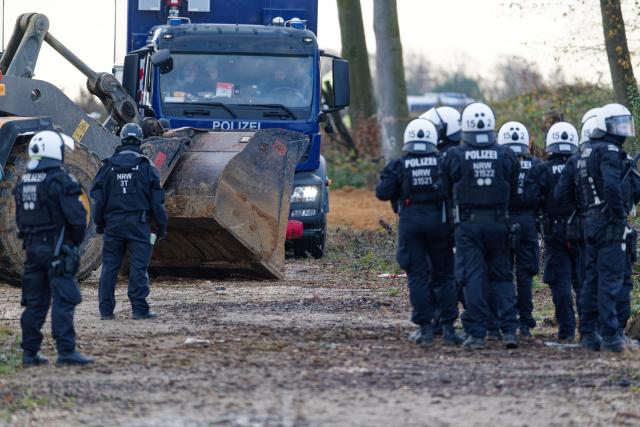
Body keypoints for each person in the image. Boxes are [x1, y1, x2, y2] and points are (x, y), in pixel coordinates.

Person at [440, 102, 520, 350]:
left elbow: (445, 188)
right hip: (500, 223)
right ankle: (509, 331)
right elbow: (514, 186)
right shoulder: (506, 154)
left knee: (472, 277)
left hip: (468, 226)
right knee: (503, 276)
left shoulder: (454, 156)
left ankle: (476, 334)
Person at [376, 118, 463, 346]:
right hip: (440, 224)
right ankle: (448, 329)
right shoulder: (443, 162)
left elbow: (382, 193)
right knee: (444, 276)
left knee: (418, 276)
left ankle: (425, 330)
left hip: (411, 224)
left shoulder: (399, 164)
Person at [14, 131, 94, 366]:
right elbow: (78, 220)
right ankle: (66, 351)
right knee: (64, 300)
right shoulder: (62, 181)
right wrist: (72, 244)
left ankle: (29, 353)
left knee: (35, 302)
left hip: (32, 251)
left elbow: (19, 219)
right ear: (54, 151)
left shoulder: (23, 182)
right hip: (58, 250)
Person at [573, 104, 639, 352]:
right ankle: (611, 336)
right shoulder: (610, 152)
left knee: (592, 278)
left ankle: (588, 333)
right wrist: (620, 214)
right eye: (618, 124)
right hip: (608, 224)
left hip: (591, 221)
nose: (623, 130)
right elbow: (611, 187)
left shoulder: (588, 153)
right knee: (610, 279)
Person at [90, 123, 168, 321]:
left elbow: (98, 200)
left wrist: (99, 223)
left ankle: (106, 311)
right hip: (138, 225)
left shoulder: (107, 166)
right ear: (140, 140)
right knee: (138, 267)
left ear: (121, 138)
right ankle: (139, 310)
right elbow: (157, 201)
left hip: (113, 225)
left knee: (109, 268)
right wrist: (161, 225)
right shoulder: (145, 166)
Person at [526, 122, 580, 342]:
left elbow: (531, 199)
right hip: (581, 231)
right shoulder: (581, 165)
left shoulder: (541, 169)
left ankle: (566, 331)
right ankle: (587, 330)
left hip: (554, 233)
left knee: (560, 283)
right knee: (583, 281)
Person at [420, 106, 463, 336]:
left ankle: (441, 321)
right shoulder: (457, 154)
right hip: (459, 224)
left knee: (444, 275)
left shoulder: (444, 157)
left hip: (446, 225)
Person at [497, 121, 541, 338]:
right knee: (524, 275)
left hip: (502, 221)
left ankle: (504, 319)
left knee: (503, 274)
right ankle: (525, 322)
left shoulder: (497, 162)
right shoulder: (536, 165)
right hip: (528, 224)